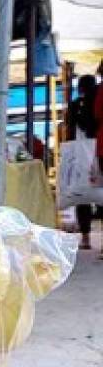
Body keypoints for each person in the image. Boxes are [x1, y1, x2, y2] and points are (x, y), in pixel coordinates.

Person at [68, 75, 100, 249]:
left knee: (83, 196)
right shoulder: (98, 102)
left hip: (81, 154)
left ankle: (86, 238)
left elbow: (70, 129)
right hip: (99, 152)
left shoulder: (75, 105)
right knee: (101, 195)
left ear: (80, 88)